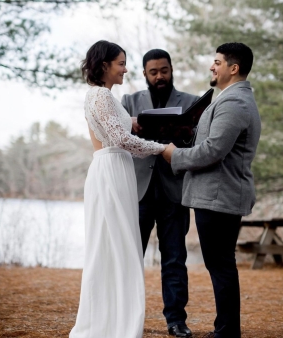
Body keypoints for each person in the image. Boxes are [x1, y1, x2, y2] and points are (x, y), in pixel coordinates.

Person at [162, 42, 261, 338]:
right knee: (220, 264)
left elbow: (213, 150)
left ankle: (227, 331)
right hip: (217, 197)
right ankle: (225, 328)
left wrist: (173, 155)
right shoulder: (229, 99)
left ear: (234, 68)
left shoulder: (234, 103)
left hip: (219, 198)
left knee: (221, 266)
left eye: (217, 62)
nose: (211, 66)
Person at [69, 41, 166, 338]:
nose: (125, 69)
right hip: (111, 169)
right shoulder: (101, 95)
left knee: (114, 247)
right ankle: (114, 325)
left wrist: (134, 122)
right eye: (121, 63)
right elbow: (121, 141)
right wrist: (162, 148)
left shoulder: (103, 96)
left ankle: (113, 320)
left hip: (114, 169)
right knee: (116, 247)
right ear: (104, 65)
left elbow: (117, 129)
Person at [121, 49, 199, 338]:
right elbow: (114, 136)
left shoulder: (191, 103)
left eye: (164, 70)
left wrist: (186, 133)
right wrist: (127, 122)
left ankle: (176, 321)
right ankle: (127, 317)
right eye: (153, 72)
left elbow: (198, 142)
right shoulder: (128, 102)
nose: (159, 76)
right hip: (138, 192)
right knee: (131, 257)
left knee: (175, 259)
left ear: (171, 69)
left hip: (174, 192)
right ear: (144, 74)